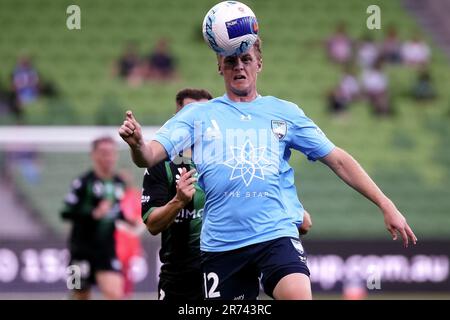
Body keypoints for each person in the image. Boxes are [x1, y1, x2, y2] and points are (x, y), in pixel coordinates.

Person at [119, 35, 416, 300]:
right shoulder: (198, 114)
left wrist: (385, 203)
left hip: (274, 235)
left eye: (246, 59)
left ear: (259, 64)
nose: (239, 67)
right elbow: (149, 155)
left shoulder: (285, 113)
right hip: (222, 246)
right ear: (219, 66)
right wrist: (136, 144)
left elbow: (337, 159)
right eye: (231, 60)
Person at [141, 88, 212, 301]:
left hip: (223, 266)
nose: (196, 121)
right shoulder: (161, 165)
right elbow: (152, 225)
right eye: (190, 114)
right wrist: (178, 201)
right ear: (177, 118)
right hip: (179, 275)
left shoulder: (227, 160)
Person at [60, 136, 129, 300]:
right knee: (79, 296)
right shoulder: (83, 183)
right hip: (80, 252)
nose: (108, 157)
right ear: (94, 155)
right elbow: (66, 212)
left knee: (116, 295)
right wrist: (93, 214)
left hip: (106, 252)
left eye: (112, 153)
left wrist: (129, 220)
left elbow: (115, 212)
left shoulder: (119, 183)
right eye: (104, 153)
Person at [115, 169, 146, 298]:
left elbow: (141, 220)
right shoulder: (114, 197)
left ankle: (126, 296)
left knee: (128, 273)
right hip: (116, 241)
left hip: (131, 242)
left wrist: (131, 226)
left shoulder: (136, 195)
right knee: (116, 272)